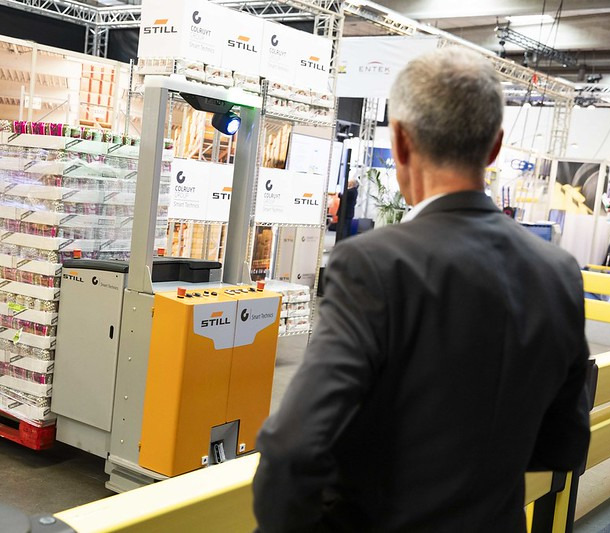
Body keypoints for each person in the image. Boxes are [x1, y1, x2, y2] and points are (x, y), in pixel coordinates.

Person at [252, 47, 591, 532]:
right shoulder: (558, 271)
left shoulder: (375, 264)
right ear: (495, 147)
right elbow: (564, 442)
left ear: (401, 142)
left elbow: (293, 447)